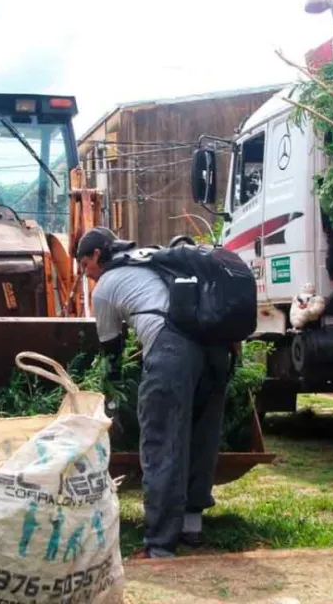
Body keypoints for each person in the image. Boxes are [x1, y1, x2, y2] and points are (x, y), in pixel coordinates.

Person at [76, 227, 230, 559]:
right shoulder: (152, 263)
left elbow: (111, 348)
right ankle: (192, 527)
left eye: (84, 262)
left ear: (97, 256)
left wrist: (113, 385)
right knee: (201, 437)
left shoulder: (105, 287)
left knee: (163, 442)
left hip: (172, 352)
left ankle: (160, 545)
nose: (83, 271)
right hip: (217, 352)